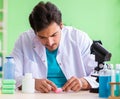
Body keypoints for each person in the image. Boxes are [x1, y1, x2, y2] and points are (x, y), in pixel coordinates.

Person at [11, 1, 98, 93]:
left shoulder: (79, 38)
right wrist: (31, 82)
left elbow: (98, 74)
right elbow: (11, 76)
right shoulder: (24, 40)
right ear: (34, 32)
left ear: (61, 25)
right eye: (42, 37)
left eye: (54, 35)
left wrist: (83, 82)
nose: (50, 42)